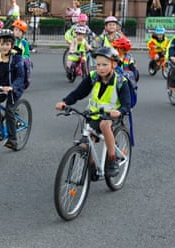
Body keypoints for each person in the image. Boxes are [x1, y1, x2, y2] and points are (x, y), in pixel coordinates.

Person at [55, 47, 131, 177]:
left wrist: (119, 111)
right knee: (84, 144)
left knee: (104, 125)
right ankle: (92, 168)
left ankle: (112, 159)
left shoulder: (120, 81)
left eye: (105, 65)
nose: (101, 68)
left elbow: (126, 104)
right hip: (94, 115)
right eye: (98, 64)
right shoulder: (93, 77)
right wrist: (65, 102)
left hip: (112, 116)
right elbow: (78, 93)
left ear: (114, 64)